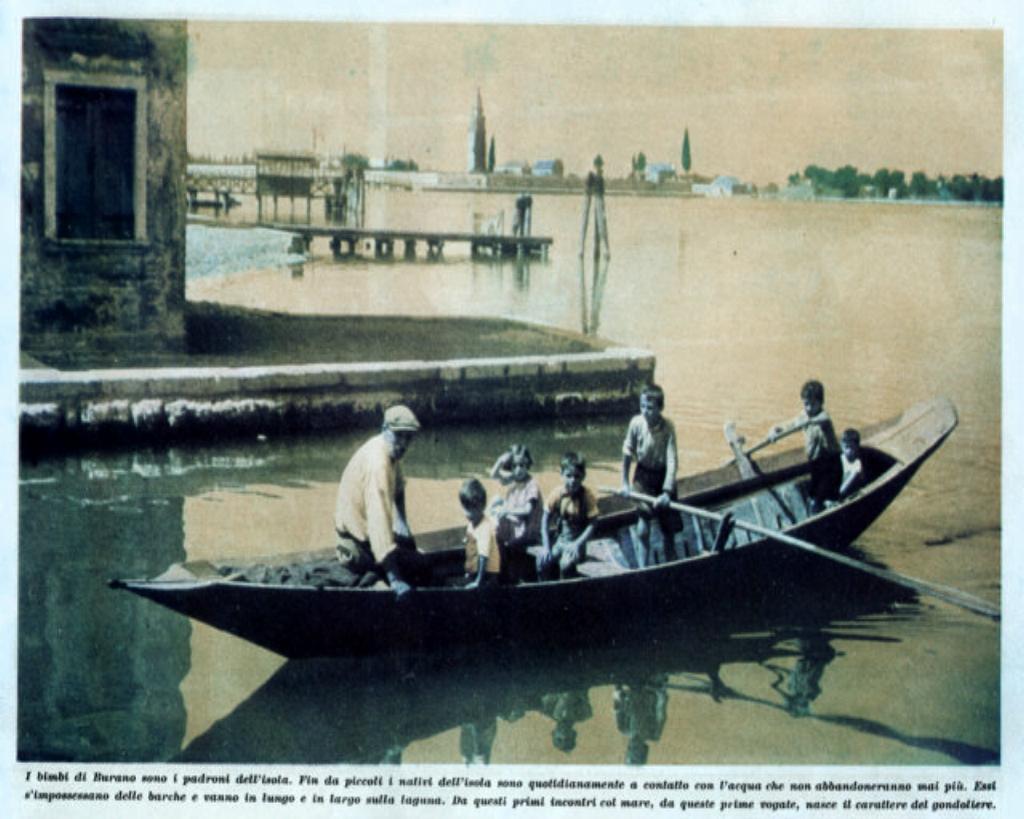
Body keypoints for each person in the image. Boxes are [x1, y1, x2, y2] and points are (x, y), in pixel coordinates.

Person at [333, 404, 431, 597]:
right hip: (355, 543)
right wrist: (395, 579)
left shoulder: (389, 450)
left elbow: (399, 488)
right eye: (399, 435)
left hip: (365, 534)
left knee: (416, 557)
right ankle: (377, 579)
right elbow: (379, 522)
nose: (403, 443)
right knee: (421, 568)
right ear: (385, 429)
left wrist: (402, 522)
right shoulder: (379, 463)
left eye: (408, 437)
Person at [620, 384, 679, 567]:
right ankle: (643, 569)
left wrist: (667, 493)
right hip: (643, 477)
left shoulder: (668, 427)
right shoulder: (636, 423)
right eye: (643, 406)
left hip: (662, 478)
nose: (645, 411)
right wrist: (624, 483)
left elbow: (672, 461)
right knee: (643, 529)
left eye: (650, 408)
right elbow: (627, 452)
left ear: (660, 408)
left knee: (668, 530)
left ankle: (671, 566)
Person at [767, 379, 841, 513]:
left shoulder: (823, 417)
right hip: (815, 464)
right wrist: (776, 429)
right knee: (812, 496)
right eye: (806, 404)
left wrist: (809, 421)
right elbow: (790, 425)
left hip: (831, 465)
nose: (809, 408)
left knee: (818, 501)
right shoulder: (804, 415)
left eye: (813, 404)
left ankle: (822, 510)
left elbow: (824, 419)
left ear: (821, 402)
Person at [489, 444, 543, 583]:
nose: (518, 469)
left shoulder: (532, 485)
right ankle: (499, 566)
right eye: (515, 466)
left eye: (522, 465)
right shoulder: (515, 478)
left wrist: (506, 511)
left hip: (528, 530)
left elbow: (527, 510)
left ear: (527, 465)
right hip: (516, 524)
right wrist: (501, 461)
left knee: (497, 529)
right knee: (495, 500)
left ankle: (503, 572)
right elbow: (493, 475)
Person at [539, 452, 597, 580]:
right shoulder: (557, 494)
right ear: (561, 475)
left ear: (583, 476)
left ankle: (566, 595)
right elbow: (544, 522)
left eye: (577, 476)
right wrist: (546, 546)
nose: (572, 480)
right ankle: (544, 591)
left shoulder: (587, 495)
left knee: (565, 565)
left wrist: (577, 544)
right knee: (542, 561)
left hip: (577, 544)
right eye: (568, 476)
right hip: (561, 542)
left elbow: (593, 523)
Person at [460, 478, 502, 588]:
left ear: (482, 507)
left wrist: (478, 582)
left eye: (472, 509)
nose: (468, 514)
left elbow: (483, 557)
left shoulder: (485, 528)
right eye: (465, 509)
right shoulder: (473, 521)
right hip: (476, 569)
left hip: (488, 576)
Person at [837, 428, 866, 500]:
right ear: (841, 445)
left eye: (852, 447)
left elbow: (842, 490)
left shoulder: (857, 465)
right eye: (846, 447)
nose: (849, 451)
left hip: (847, 495)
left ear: (857, 447)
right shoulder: (839, 459)